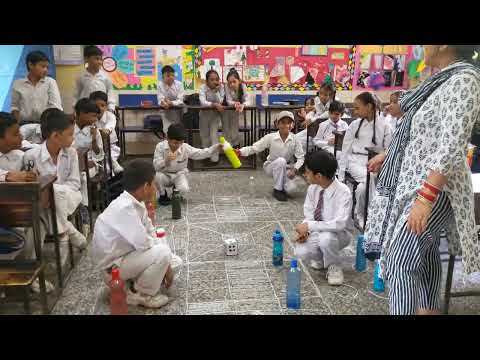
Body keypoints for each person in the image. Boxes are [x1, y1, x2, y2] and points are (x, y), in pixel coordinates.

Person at [364, 45, 480, 315]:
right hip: (416, 182)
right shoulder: (443, 79)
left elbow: (451, 145)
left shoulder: (464, 80)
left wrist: (425, 199)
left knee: (399, 261)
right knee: (424, 253)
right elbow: (423, 136)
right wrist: (389, 154)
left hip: (434, 188)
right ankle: (429, 310)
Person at [92, 159, 183, 308]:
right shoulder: (124, 208)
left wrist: (166, 263)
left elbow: (150, 231)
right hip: (113, 269)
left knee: (175, 262)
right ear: (146, 186)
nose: (155, 188)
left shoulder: (136, 202)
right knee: (163, 254)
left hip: (126, 257)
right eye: (153, 184)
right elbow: (144, 243)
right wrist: (164, 263)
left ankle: (133, 283)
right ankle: (139, 294)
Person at [0, 112, 56, 294]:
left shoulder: (23, 154)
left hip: (17, 215)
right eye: (15, 134)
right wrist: (8, 175)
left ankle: (30, 272)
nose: (21, 136)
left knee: (35, 224)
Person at [23, 110, 86, 266]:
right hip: (44, 204)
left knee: (55, 191)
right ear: (56, 136)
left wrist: (54, 191)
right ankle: (66, 231)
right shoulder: (31, 156)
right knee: (38, 224)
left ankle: (64, 231)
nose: (73, 138)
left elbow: (75, 183)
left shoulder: (71, 153)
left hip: (70, 196)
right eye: (70, 134)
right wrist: (47, 193)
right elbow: (29, 188)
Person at [294, 149, 354, 285]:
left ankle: (334, 266)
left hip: (340, 234)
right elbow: (309, 215)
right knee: (300, 250)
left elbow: (339, 224)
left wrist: (310, 226)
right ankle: (321, 258)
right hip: (320, 230)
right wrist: (306, 231)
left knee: (326, 238)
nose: (305, 174)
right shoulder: (313, 189)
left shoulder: (343, 192)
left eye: (308, 172)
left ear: (319, 176)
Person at [338, 92, 392, 229]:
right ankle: (375, 216)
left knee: (362, 188)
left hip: (374, 163)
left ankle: (360, 215)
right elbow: (345, 149)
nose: (354, 111)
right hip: (355, 161)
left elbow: (388, 150)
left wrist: (380, 163)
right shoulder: (354, 125)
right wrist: (341, 174)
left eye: (357, 108)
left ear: (369, 107)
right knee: (368, 177)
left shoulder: (385, 126)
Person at [236, 111, 304, 202]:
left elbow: (301, 157)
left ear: (293, 125)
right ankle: (278, 190)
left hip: (287, 168)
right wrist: (240, 152)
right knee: (281, 161)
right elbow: (255, 147)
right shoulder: (270, 137)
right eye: (283, 122)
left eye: (289, 123)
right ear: (277, 124)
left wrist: (294, 169)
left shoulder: (295, 139)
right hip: (270, 166)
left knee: (292, 189)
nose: (286, 125)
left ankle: (283, 186)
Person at [154, 123, 221, 205]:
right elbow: (156, 166)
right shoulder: (160, 147)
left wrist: (215, 148)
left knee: (184, 189)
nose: (178, 145)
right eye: (175, 143)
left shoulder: (185, 147)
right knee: (156, 176)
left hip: (179, 174)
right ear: (167, 138)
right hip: (165, 174)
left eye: (181, 142)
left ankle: (175, 193)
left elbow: (200, 153)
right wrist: (166, 161)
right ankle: (163, 195)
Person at [11, 51, 63, 146]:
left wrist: (49, 130)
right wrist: (15, 129)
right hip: (24, 126)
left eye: (47, 67)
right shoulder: (18, 84)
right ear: (31, 65)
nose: (46, 70)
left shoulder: (50, 82)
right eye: (42, 66)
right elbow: (15, 107)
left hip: (45, 126)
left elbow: (55, 107)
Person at [72, 98, 104, 215]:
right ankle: (73, 207)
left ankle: (83, 209)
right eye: (92, 116)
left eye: (96, 116)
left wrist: (94, 139)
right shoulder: (69, 129)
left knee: (83, 177)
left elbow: (99, 155)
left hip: (90, 165)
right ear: (80, 114)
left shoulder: (94, 130)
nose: (95, 120)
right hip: (72, 165)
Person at [89, 91, 123, 174]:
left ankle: (114, 181)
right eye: (96, 106)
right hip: (95, 148)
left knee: (108, 168)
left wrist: (97, 131)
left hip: (111, 146)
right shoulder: (89, 117)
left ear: (106, 106)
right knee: (96, 167)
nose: (99, 108)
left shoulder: (110, 116)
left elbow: (106, 132)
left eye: (102, 105)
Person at [74, 45, 115, 112]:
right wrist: (75, 111)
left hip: (101, 111)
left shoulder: (105, 76)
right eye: (97, 59)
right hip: (85, 111)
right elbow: (75, 95)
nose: (100, 62)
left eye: (101, 59)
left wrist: (111, 108)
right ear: (86, 59)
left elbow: (110, 92)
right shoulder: (80, 77)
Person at [199, 69, 225, 164]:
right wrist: (213, 105)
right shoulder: (202, 87)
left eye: (216, 79)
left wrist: (216, 92)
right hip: (204, 115)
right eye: (212, 79)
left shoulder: (221, 87)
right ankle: (205, 157)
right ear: (206, 81)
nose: (215, 81)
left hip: (215, 116)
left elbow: (221, 101)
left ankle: (214, 159)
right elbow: (202, 102)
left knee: (214, 136)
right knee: (204, 136)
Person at [224, 68, 249, 148]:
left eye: (234, 81)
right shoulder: (226, 86)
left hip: (237, 110)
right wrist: (235, 103)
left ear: (239, 81)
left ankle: (236, 148)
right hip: (226, 111)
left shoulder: (243, 86)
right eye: (230, 82)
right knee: (226, 130)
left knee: (235, 130)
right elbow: (228, 100)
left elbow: (248, 100)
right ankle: (228, 150)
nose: (232, 84)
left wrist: (243, 105)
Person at [157, 65, 185, 133]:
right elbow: (160, 99)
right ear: (163, 77)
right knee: (166, 131)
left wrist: (171, 103)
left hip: (178, 113)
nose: (171, 77)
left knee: (177, 132)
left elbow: (180, 100)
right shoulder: (160, 85)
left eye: (173, 75)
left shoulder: (179, 84)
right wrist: (164, 103)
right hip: (166, 112)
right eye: (168, 75)